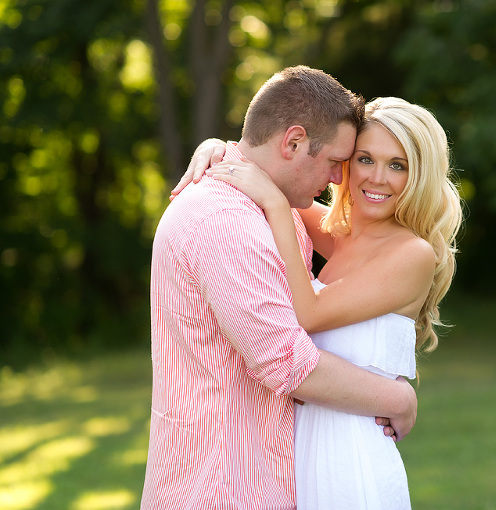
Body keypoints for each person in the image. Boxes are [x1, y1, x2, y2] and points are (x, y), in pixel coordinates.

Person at [141, 67, 418, 510]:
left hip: (262, 478)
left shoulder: (273, 204)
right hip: (222, 487)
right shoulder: (225, 221)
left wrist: (219, 148)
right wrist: (399, 399)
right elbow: (288, 363)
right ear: (292, 142)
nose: (337, 179)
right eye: (335, 162)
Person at [183, 97, 463, 509]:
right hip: (303, 457)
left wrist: (277, 206)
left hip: (351, 465)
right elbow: (267, 171)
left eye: (398, 165)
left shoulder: (413, 254)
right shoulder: (346, 235)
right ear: (346, 164)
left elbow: (307, 314)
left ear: (419, 175)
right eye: (365, 159)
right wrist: (217, 148)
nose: (378, 178)